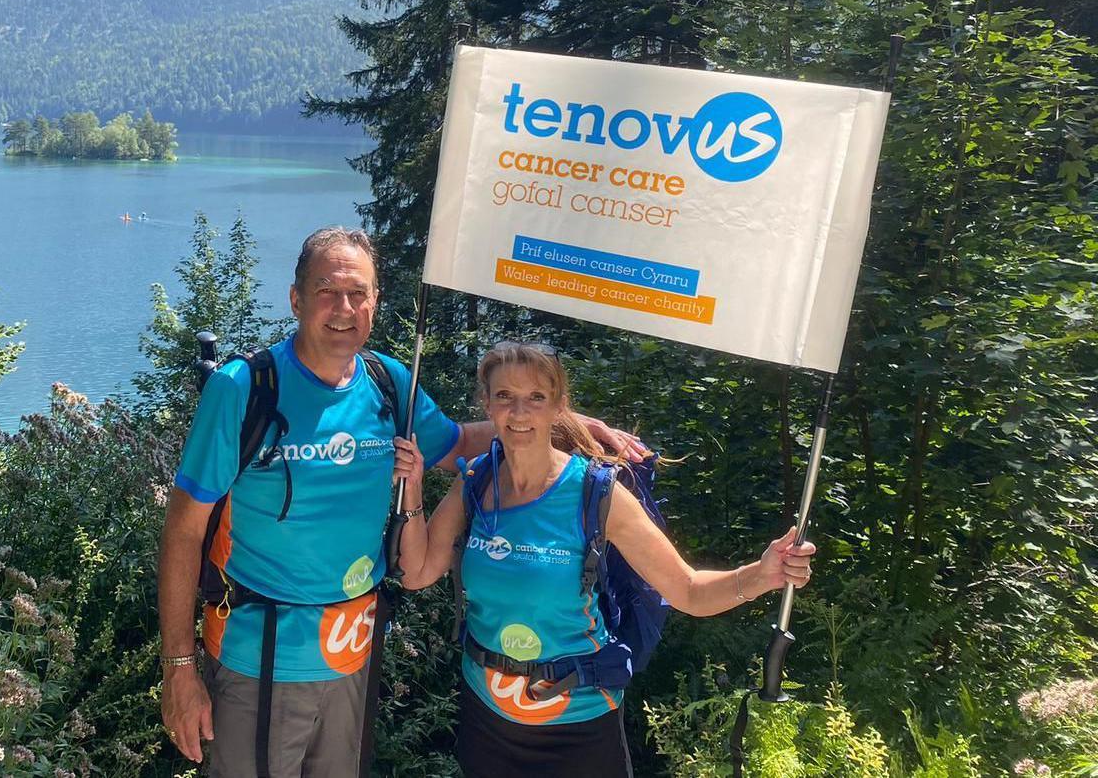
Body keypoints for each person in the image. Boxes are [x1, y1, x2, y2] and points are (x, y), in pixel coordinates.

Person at [157, 228, 646, 777]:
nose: (344, 308)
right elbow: (182, 531)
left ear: (375, 303)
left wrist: (567, 423)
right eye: (327, 291)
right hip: (258, 656)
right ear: (296, 299)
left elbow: (459, 443)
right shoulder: (243, 389)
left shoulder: (387, 383)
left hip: (351, 657)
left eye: (358, 293)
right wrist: (179, 668)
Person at [393, 341, 817, 777]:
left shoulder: (596, 494)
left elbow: (688, 591)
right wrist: (412, 485)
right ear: (488, 404)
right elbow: (417, 572)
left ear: (559, 406)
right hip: (487, 718)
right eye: (505, 397)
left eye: (536, 397)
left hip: (576, 725)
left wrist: (763, 573)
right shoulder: (476, 482)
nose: (519, 412)